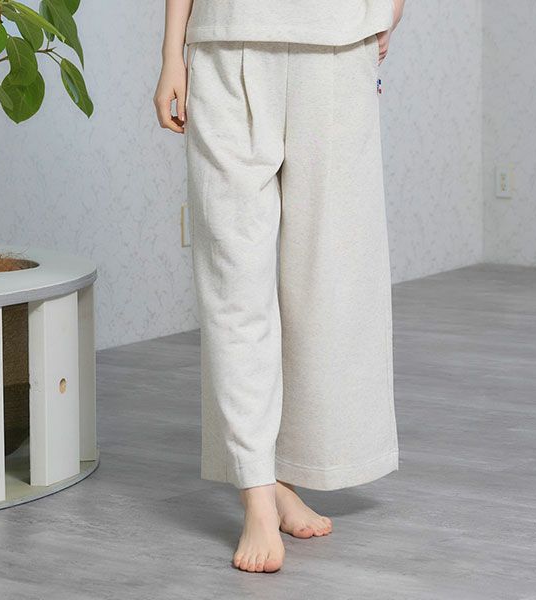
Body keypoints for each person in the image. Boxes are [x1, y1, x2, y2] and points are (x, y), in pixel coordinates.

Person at [154, 0, 405, 574]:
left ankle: (282, 477)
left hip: (338, 44)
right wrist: (171, 52)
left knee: (326, 285)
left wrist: (389, 8)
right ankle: (257, 495)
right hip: (225, 42)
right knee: (233, 281)